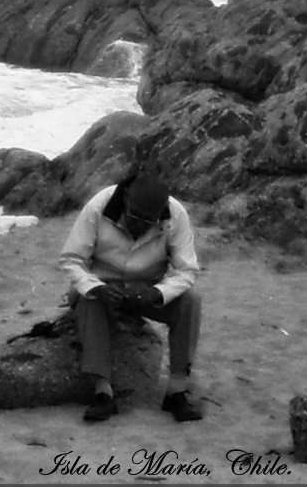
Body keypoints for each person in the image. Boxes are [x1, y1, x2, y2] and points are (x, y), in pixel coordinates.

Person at [56, 164, 203, 423]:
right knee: (90, 299)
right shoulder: (98, 206)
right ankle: (103, 392)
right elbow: (71, 259)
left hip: (146, 290)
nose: (140, 226)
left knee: (190, 300)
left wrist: (159, 293)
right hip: (102, 285)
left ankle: (176, 391)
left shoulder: (176, 215)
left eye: (149, 221)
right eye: (135, 217)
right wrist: (96, 286)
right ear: (125, 200)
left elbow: (188, 271)